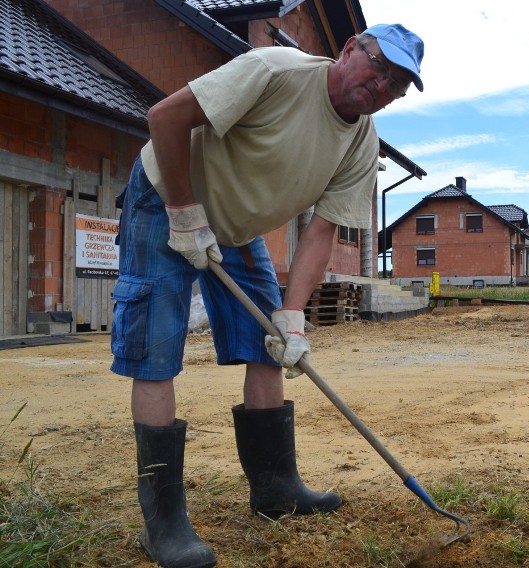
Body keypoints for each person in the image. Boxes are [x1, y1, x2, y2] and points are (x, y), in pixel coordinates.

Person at [110, 23, 424, 568]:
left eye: (396, 84)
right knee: (156, 353)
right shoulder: (274, 70)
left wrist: (293, 316)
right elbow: (165, 117)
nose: (381, 85)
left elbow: (321, 232)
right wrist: (185, 215)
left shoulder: (360, 142)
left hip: (234, 226)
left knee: (269, 342)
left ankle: (276, 488)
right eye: (378, 66)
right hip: (165, 197)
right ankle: (163, 523)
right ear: (349, 48)